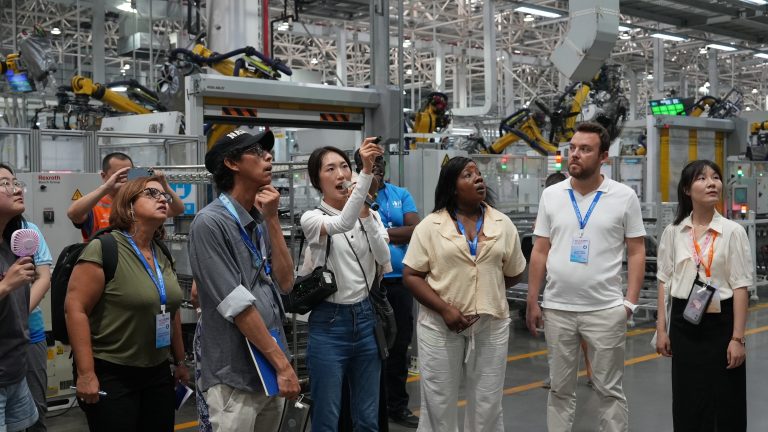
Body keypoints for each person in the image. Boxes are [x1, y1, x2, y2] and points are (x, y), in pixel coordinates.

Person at [526, 122, 646, 432]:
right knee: (560, 390)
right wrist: (533, 300)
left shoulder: (624, 196)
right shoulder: (552, 195)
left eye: (585, 149)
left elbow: (636, 251)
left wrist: (629, 304)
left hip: (605, 309)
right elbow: (540, 250)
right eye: (573, 148)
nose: (575, 154)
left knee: (609, 391)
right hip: (558, 309)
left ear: (603, 156)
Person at [402, 156, 527, 432]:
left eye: (478, 173)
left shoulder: (502, 224)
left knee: (488, 402)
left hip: (490, 324)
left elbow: (514, 271)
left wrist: (485, 291)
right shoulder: (430, 226)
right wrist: (445, 309)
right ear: (453, 187)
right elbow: (411, 275)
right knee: (439, 402)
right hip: (439, 325)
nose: (478, 178)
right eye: (467, 175)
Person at [188, 130, 299, 431]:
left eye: (267, 151)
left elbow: (286, 282)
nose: (268, 157)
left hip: (267, 368)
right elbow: (236, 304)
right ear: (232, 163)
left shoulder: (259, 220)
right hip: (234, 374)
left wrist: (272, 219)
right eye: (257, 152)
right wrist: (282, 364)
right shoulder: (210, 223)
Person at [65, 176, 188, 432]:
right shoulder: (104, 248)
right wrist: (86, 374)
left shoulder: (162, 253)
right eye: (151, 194)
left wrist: (180, 361)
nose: (162, 199)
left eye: (163, 195)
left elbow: (170, 309)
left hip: (157, 371)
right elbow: (75, 309)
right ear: (129, 205)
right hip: (113, 372)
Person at [300, 139, 390, 431]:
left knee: (368, 418)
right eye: (330, 169)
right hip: (329, 325)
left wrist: (367, 214)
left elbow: (384, 258)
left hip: (365, 319)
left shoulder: (369, 214)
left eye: (344, 166)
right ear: (317, 181)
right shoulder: (312, 218)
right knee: (327, 418)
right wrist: (366, 175)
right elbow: (341, 224)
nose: (340, 174)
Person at [655, 160, 751, 431]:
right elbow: (664, 281)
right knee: (687, 400)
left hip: (721, 323)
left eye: (715, 177)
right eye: (702, 178)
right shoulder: (674, 232)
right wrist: (661, 330)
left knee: (726, 400)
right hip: (684, 323)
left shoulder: (733, 232)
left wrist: (737, 338)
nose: (712, 183)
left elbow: (741, 287)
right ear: (687, 189)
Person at [353, 149, 421, 428]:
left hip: (399, 283)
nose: (377, 167)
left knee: (399, 346)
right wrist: (392, 233)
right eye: (371, 163)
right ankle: (373, 408)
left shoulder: (400, 194)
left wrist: (377, 232)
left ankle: (397, 406)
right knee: (369, 348)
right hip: (367, 285)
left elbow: (415, 229)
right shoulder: (354, 196)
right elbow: (351, 228)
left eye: (380, 162)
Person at [540, 172, 593, 390]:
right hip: (559, 285)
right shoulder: (550, 208)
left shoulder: (579, 211)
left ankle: (591, 372)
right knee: (559, 341)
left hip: (583, 284)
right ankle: (558, 375)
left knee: (583, 337)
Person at [0, 163, 39, 432]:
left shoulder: (11, 245)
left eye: (16, 182)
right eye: (5, 184)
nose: (16, 189)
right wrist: (5, 286)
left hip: (15, 371)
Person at [67, 152, 185, 241]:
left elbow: (178, 209)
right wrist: (106, 188)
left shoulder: (139, 202)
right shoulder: (94, 205)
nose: (124, 178)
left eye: (128, 174)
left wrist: (163, 183)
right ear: (103, 176)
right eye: (118, 174)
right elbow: (73, 214)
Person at [25, 222, 53, 432]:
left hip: (30, 333)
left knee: (36, 410)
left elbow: (43, 277)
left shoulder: (28, 230)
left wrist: (16, 313)